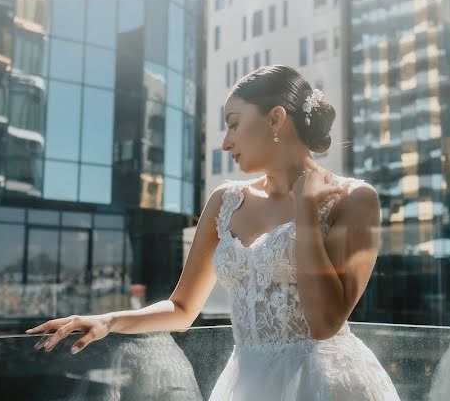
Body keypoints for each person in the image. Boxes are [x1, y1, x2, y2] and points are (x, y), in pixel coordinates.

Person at [27, 65, 400, 399]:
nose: (225, 141)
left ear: (275, 119)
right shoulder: (225, 201)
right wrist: (109, 321)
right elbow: (183, 308)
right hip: (247, 385)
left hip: (327, 387)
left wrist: (304, 211)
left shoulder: (353, 200)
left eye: (234, 123)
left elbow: (324, 324)